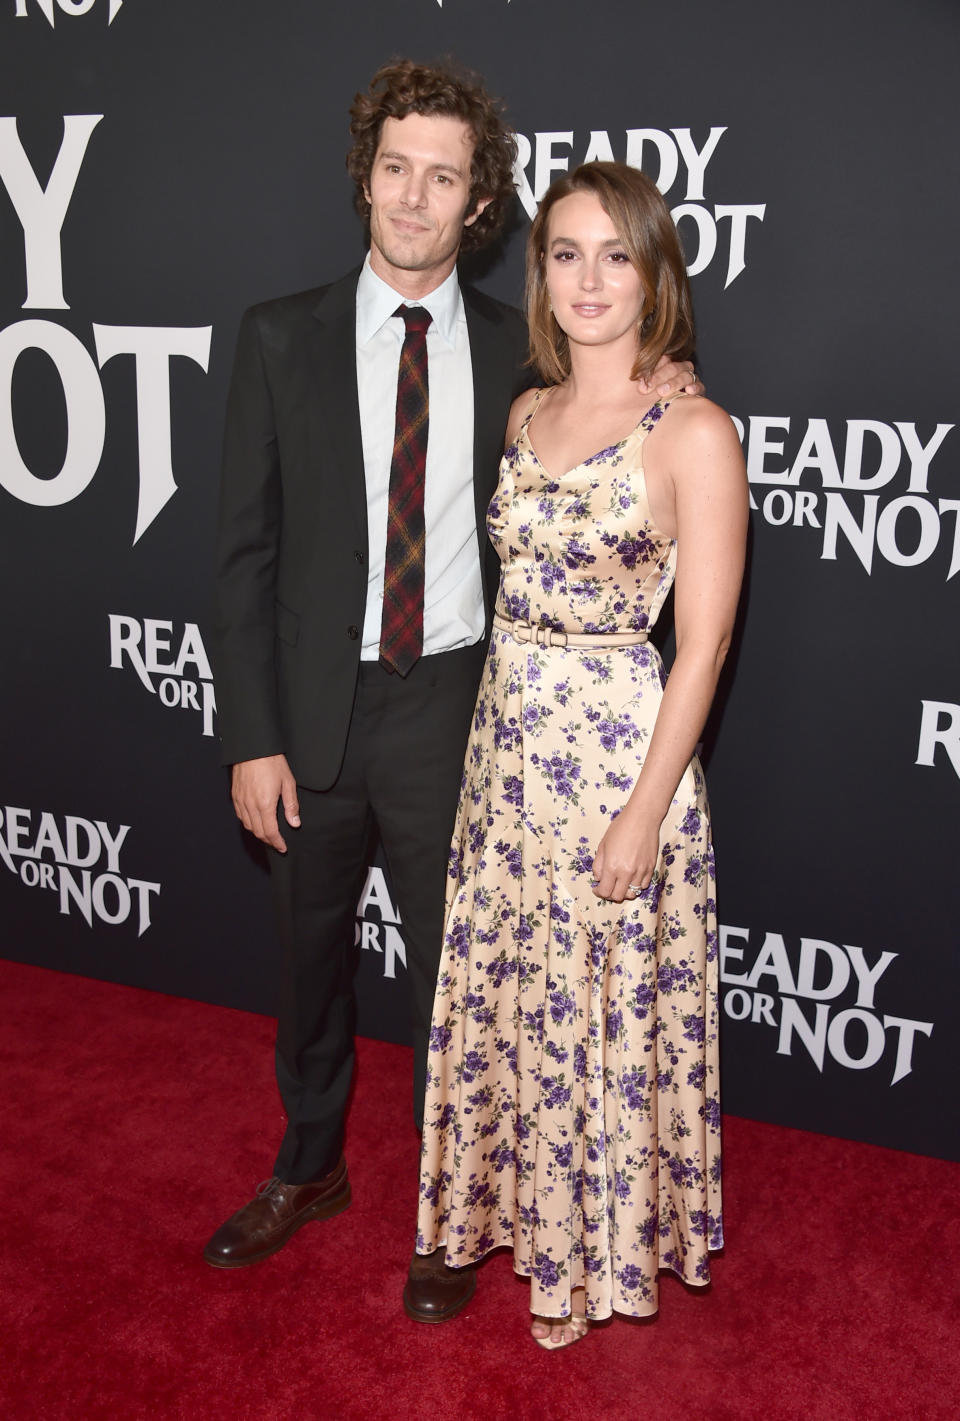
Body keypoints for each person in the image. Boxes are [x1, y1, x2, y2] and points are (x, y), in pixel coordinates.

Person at [206, 65, 697, 1291]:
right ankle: (309, 1164)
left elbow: (618, 413)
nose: (415, 197)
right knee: (308, 961)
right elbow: (242, 556)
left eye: (445, 175)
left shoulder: (517, 356)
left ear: (479, 201)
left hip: (458, 714)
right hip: (313, 714)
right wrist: (252, 733)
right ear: (364, 178)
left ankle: (451, 1210)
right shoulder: (279, 335)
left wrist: (670, 380)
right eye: (396, 169)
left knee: (457, 987)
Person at [410, 160, 748, 1347]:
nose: (591, 277)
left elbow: (702, 646)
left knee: (597, 1010)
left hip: (616, 761)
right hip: (506, 757)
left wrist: (644, 814)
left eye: (618, 252)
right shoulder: (523, 414)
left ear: (656, 271)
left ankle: (597, 1244)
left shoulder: (694, 429)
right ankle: (506, 1211)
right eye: (566, 252)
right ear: (539, 273)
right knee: (518, 997)